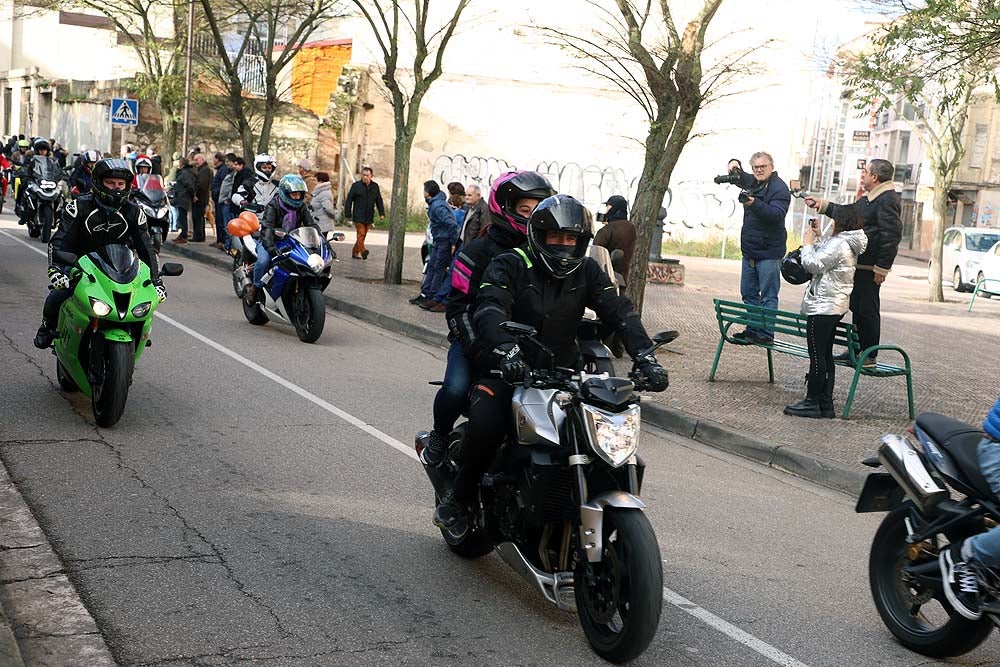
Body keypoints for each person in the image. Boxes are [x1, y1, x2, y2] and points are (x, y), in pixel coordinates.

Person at [433, 195, 670, 534]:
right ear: (539, 237)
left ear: (582, 241)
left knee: (596, 436)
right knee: (486, 423)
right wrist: (505, 350)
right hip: (509, 368)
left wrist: (645, 356)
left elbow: (618, 310)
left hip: (564, 373)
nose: (563, 246)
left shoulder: (587, 269)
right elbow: (490, 308)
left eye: (571, 239)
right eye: (555, 238)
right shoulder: (510, 263)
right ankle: (460, 498)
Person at [418, 171, 554, 468]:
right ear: (504, 208)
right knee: (455, 389)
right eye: (525, 211)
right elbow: (457, 308)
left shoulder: (548, 254)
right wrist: (480, 348)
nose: (532, 219)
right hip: (476, 339)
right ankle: (440, 436)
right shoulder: (477, 251)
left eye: (538, 212)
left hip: (526, 343)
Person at [33, 158, 164, 349]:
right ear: (98, 183)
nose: (116, 188)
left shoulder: (135, 212)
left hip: (117, 266)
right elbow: (59, 241)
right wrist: (55, 270)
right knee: (58, 293)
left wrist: (156, 281)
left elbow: (146, 249)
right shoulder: (78, 206)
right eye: (110, 183)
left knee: (138, 301)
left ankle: (136, 335)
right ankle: (47, 327)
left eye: (121, 184)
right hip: (78, 262)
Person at [805, 159, 902, 368]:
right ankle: (857, 350)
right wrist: (822, 205)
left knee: (867, 309)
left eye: (865, 172)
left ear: (874, 177)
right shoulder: (869, 198)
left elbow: (891, 235)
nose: (862, 175)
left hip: (870, 268)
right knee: (858, 308)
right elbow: (848, 213)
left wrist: (882, 268)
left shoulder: (887, 199)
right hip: (860, 265)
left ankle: (869, 355)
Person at [783, 209, 867, 419]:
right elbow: (826, 258)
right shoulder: (845, 242)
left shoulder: (840, 243)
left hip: (823, 306)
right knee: (825, 354)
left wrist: (808, 243)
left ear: (842, 222)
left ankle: (812, 402)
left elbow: (814, 264)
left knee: (817, 355)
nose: (833, 222)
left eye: (835, 219)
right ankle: (825, 404)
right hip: (834, 305)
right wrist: (819, 237)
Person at [725, 152, 791, 344]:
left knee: (769, 296)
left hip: (769, 254)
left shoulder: (780, 189)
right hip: (750, 252)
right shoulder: (753, 181)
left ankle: (766, 334)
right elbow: (739, 176)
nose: (759, 170)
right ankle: (753, 330)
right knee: (748, 294)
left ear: (772, 166)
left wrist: (754, 204)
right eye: (756, 167)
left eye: (763, 167)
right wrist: (733, 162)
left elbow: (776, 215)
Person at [246, 174, 320, 302]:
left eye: (299, 194)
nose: (297, 197)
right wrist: (270, 248)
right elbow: (267, 227)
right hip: (270, 240)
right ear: (285, 193)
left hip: (292, 240)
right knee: (263, 261)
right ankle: (255, 286)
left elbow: (311, 225)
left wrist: (323, 243)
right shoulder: (273, 206)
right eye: (293, 194)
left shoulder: (301, 206)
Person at [413, 180, 458, 305]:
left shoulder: (437, 206)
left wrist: (453, 243)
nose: (423, 193)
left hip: (444, 240)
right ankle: (425, 293)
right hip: (439, 240)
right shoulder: (436, 204)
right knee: (432, 266)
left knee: (438, 268)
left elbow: (451, 224)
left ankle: (432, 296)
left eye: (424, 190)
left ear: (428, 192)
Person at [593, 194, 638, 286]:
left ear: (614, 209)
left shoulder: (607, 230)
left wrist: (607, 226)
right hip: (622, 279)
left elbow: (595, 255)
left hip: (605, 279)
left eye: (608, 207)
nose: (606, 211)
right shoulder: (631, 228)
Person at [343, 167, 385, 259]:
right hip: (358, 215)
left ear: (371, 176)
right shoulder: (356, 186)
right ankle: (363, 251)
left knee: (362, 235)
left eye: (367, 175)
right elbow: (349, 200)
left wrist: (381, 213)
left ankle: (355, 252)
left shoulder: (375, 186)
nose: (365, 177)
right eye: (363, 175)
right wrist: (347, 213)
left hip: (369, 215)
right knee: (361, 233)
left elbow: (379, 200)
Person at [16, 139, 61, 214]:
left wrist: (60, 174)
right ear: (37, 150)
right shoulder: (31, 159)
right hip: (35, 179)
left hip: (48, 180)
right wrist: (24, 171)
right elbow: (26, 167)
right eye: (41, 150)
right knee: (23, 185)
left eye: (44, 150)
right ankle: (21, 207)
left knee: (60, 193)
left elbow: (57, 169)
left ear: (47, 150)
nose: (43, 151)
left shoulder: (52, 161)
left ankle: (60, 211)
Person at [169, 157, 197, 244]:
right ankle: (182, 234)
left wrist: (193, 195)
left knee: (183, 217)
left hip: (183, 197)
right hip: (181, 196)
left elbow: (189, 186)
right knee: (182, 217)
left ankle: (183, 235)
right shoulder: (185, 172)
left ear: (182, 163)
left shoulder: (185, 173)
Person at [210, 152, 230, 249]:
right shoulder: (220, 170)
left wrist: (218, 193)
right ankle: (219, 240)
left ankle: (222, 241)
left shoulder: (223, 170)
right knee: (218, 220)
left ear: (218, 159)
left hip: (220, 199)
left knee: (221, 220)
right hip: (217, 198)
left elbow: (223, 185)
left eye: (214, 158)